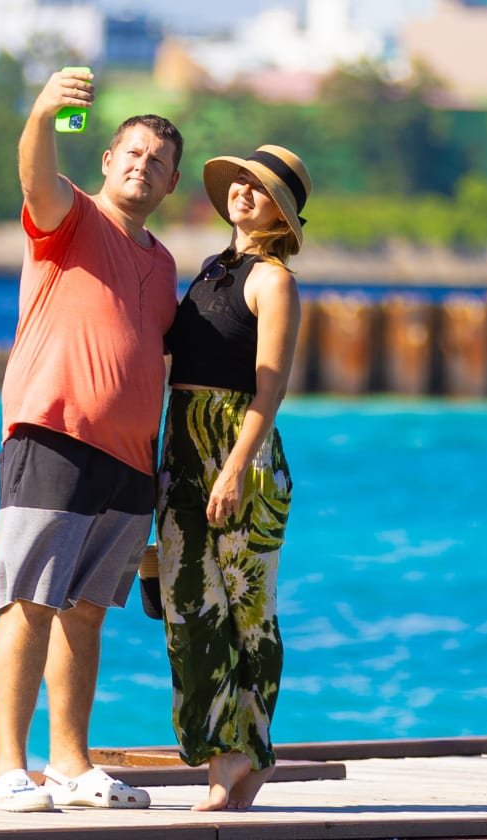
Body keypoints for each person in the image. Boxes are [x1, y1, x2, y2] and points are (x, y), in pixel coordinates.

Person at [0, 67, 182, 812]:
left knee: (88, 612)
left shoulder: (163, 262)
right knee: (27, 601)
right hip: (53, 436)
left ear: (171, 184)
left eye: (158, 162)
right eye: (132, 153)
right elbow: (34, 176)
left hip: (130, 461)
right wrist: (42, 112)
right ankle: (8, 769)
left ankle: (70, 764)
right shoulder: (70, 216)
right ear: (107, 160)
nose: (142, 166)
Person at [155, 144, 312, 812]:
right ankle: (230, 753)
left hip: (239, 452)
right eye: (240, 181)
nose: (244, 191)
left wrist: (235, 468)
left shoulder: (273, 281)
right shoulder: (211, 270)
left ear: (281, 213)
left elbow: (269, 388)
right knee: (188, 608)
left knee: (247, 610)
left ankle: (244, 754)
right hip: (183, 446)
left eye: (260, 187)